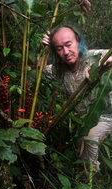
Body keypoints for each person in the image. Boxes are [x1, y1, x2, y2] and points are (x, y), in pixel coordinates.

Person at [42, 25, 112, 171]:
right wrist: (43, 50)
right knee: (78, 148)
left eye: (68, 45)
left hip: (105, 115)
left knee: (89, 138)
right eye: (59, 48)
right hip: (83, 119)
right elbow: (40, 71)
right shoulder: (59, 70)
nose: (66, 52)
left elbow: (108, 56)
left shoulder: (93, 57)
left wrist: (103, 65)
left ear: (78, 42)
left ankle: (91, 181)